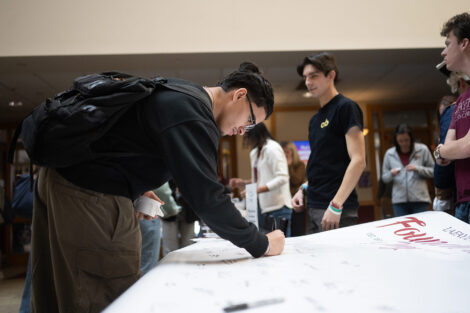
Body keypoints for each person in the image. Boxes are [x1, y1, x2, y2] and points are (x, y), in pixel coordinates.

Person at [31, 62, 285, 313]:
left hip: (60, 178)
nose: (243, 131)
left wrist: (135, 184)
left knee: (54, 290)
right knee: (106, 293)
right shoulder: (194, 114)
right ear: (239, 95)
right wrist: (261, 243)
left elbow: (124, 142)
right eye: (250, 120)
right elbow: (208, 199)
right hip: (88, 194)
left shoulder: (181, 91)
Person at [291, 52, 366, 233]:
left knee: (340, 262)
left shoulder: (346, 108)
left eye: (314, 76)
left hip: (336, 208)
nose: (308, 82)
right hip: (314, 205)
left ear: (330, 75)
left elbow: (359, 160)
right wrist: (304, 188)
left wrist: (336, 205)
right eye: (306, 77)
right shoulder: (315, 120)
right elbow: (321, 163)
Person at [435, 12, 470, 224]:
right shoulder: (463, 100)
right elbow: (446, 154)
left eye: (448, 44)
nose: (443, 52)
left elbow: (466, 147)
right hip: (462, 201)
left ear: (465, 43)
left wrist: (442, 150)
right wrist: (444, 150)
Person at [230, 123, 293, 236]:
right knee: (268, 244)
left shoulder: (272, 148)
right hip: (263, 207)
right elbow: (260, 179)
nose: (248, 141)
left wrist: (257, 190)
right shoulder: (254, 153)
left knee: (283, 245)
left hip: (279, 206)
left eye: (249, 137)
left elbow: (282, 177)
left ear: (256, 135)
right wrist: (243, 182)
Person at [382, 124, 434, 217]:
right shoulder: (389, 154)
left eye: (406, 140)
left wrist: (418, 169)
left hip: (420, 200)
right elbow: (384, 178)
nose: (404, 143)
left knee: (422, 228)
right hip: (399, 201)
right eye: (400, 141)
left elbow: (434, 171)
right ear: (396, 141)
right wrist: (391, 174)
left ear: (411, 139)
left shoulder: (423, 149)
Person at [161, 181, 197, 257]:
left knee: (188, 246)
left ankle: (188, 268)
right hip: (168, 207)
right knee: (170, 249)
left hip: (188, 207)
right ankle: (170, 268)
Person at [281, 141, 306, 236]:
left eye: (287, 152)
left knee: (297, 230)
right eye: (283, 152)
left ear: (293, 152)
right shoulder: (281, 165)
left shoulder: (300, 165)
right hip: (284, 202)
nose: (285, 154)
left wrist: (289, 165)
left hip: (296, 202)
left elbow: (296, 180)